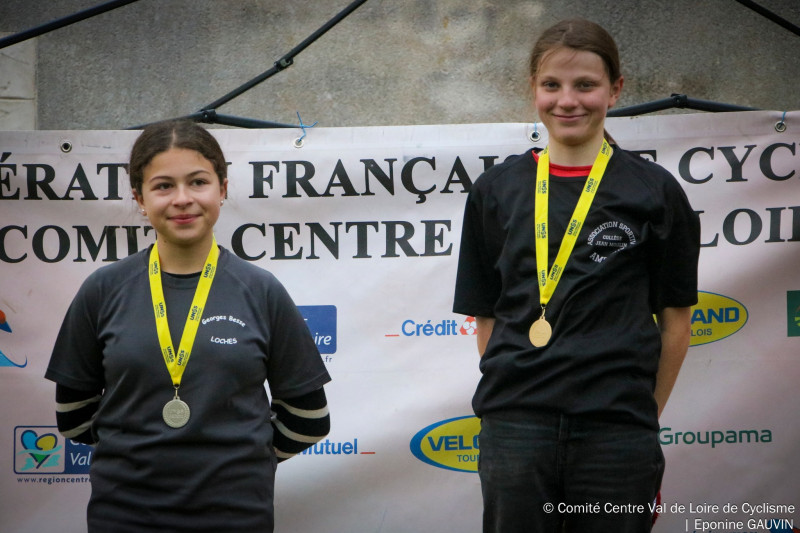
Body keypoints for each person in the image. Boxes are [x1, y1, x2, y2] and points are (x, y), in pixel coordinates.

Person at [453, 18, 700, 533]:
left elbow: (676, 322)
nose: (568, 101)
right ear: (534, 89)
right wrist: (517, 400)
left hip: (617, 432)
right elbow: (487, 316)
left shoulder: (655, 191)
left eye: (585, 85)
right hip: (515, 430)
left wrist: (641, 416)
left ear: (615, 89)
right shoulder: (495, 190)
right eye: (552, 85)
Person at [45, 120, 331, 532]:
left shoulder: (261, 290)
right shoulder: (103, 290)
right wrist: (138, 460)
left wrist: (237, 466)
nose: (182, 199)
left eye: (198, 182)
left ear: (222, 188)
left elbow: (309, 418)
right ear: (140, 198)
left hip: (235, 517)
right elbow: (72, 416)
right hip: (124, 517)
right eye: (163, 186)